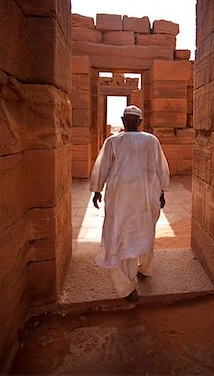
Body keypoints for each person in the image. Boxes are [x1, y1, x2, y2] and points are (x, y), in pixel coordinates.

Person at [90, 105, 169, 302]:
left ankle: (128, 284)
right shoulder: (151, 140)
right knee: (144, 231)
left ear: (124, 121)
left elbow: (102, 168)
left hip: (121, 198)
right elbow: (162, 169)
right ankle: (144, 271)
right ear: (139, 122)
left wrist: (97, 189)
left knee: (120, 235)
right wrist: (162, 191)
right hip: (144, 196)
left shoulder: (113, 141)